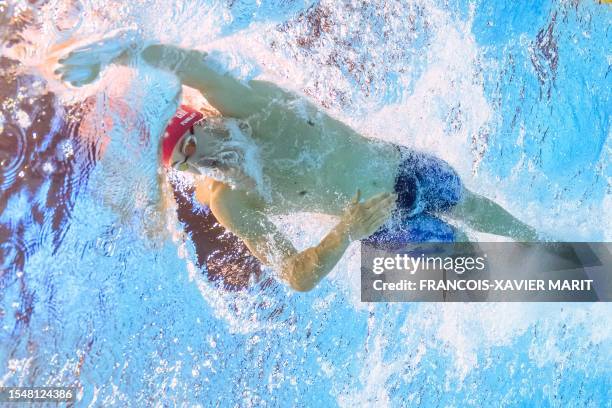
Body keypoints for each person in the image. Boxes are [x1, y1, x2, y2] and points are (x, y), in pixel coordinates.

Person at [55, 33, 539, 292]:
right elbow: (296, 275)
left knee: (474, 207)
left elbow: (188, 64)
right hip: (381, 227)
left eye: (193, 139)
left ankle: (551, 249)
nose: (201, 157)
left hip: (402, 168)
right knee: (468, 260)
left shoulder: (250, 104)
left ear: (200, 115)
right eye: (186, 162)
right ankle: (543, 297)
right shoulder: (232, 201)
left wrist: (120, 52)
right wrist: (345, 231)